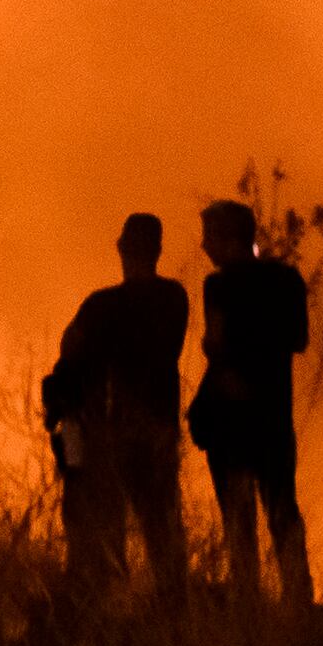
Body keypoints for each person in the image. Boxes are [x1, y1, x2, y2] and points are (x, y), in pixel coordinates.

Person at [49, 212, 191, 599]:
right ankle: (172, 603)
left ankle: (103, 598)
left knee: (102, 522)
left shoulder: (101, 305)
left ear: (121, 247)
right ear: (158, 249)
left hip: (108, 430)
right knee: (161, 522)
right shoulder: (173, 298)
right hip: (157, 423)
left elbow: (70, 349)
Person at [186, 197, 313, 609]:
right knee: (281, 505)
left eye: (209, 237)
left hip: (231, 417)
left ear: (228, 238)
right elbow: (298, 340)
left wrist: (218, 349)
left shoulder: (218, 286)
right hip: (274, 412)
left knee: (237, 515)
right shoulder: (288, 280)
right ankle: (297, 595)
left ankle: (247, 597)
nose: (204, 246)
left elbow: (217, 344)